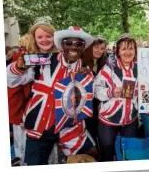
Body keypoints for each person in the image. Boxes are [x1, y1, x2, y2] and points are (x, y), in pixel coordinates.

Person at [7, 26, 98, 165]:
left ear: (83, 47)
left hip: (70, 128)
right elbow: (10, 80)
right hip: (40, 127)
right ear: (62, 45)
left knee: (91, 157)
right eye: (69, 43)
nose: (73, 46)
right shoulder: (43, 60)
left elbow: (87, 100)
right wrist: (18, 68)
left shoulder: (86, 70)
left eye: (79, 43)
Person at [7, 22, 58, 164]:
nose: (44, 40)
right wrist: (18, 67)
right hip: (35, 120)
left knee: (53, 158)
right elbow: (11, 81)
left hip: (57, 119)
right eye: (40, 36)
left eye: (48, 36)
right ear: (34, 39)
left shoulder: (62, 57)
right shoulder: (30, 58)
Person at [94, 33, 138, 161]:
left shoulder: (141, 68)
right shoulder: (108, 69)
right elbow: (96, 90)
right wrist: (110, 92)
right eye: (124, 49)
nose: (128, 52)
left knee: (129, 151)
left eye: (131, 48)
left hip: (131, 119)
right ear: (118, 51)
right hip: (108, 119)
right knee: (107, 150)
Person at [82, 36, 108, 143]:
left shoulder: (103, 65)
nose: (99, 51)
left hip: (98, 102)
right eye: (96, 47)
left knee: (97, 128)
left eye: (102, 49)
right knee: (89, 129)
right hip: (86, 103)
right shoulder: (82, 63)